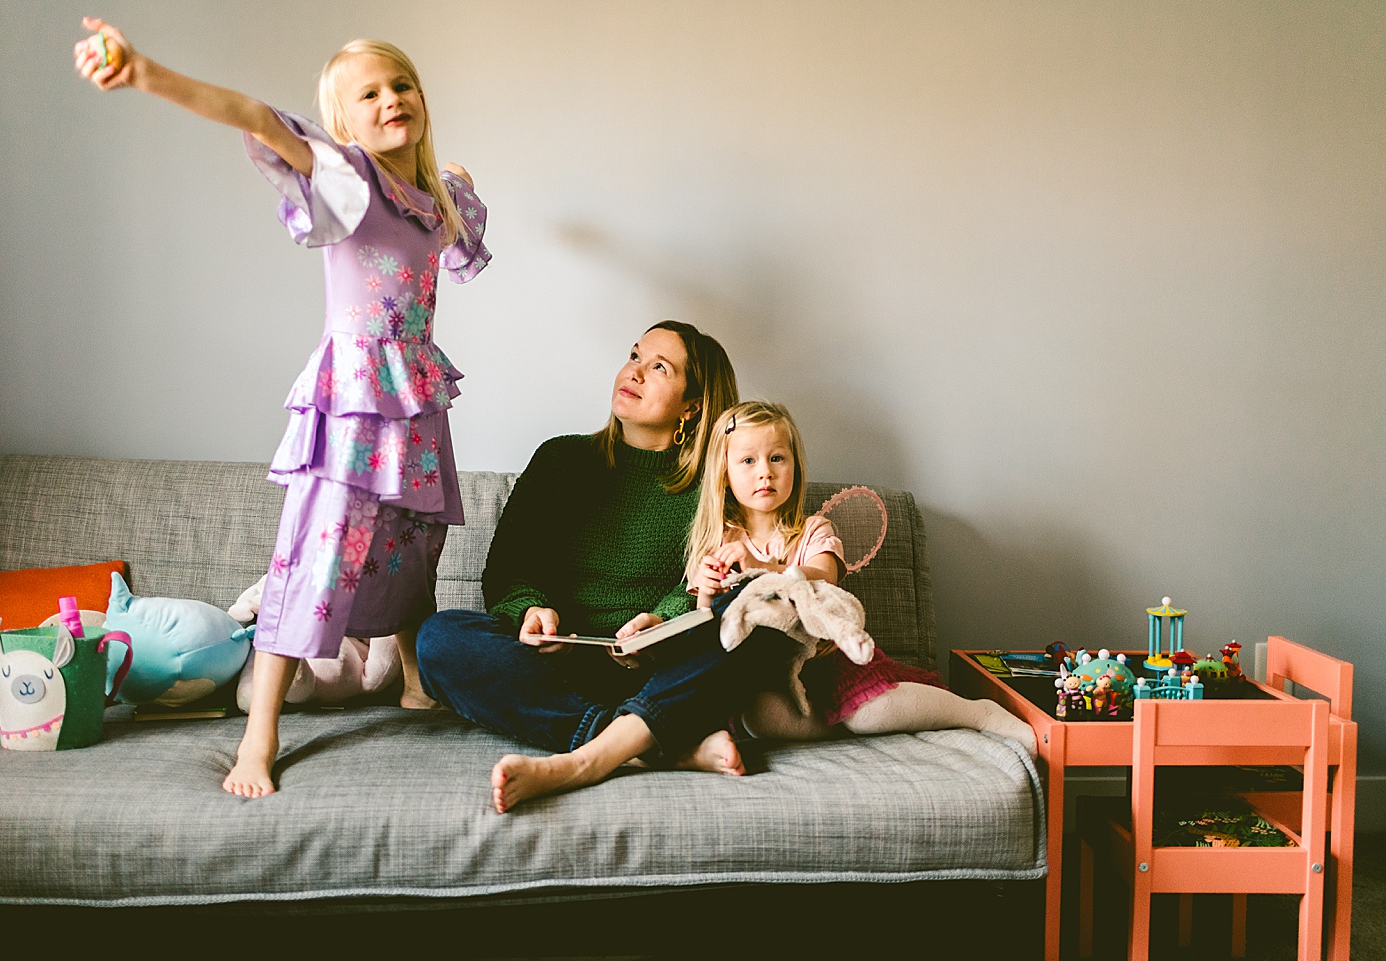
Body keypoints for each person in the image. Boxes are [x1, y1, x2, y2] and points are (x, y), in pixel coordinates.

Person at [73, 19, 492, 797]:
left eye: (401, 85)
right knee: (317, 557)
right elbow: (258, 119)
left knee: (413, 534)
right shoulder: (351, 182)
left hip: (417, 394)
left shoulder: (436, 199)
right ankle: (257, 738)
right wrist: (146, 73)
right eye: (369, 93)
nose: (392, 99)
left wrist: (452, 181)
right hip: (355, 395)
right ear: (342, 125)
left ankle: (410, 676)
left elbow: (457, 244)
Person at [417, 322, 790, 813]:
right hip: (552, 670)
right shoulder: (561, 460)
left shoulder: (720, 481)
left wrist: (661, 623)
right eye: (635, 355)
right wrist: (531, 609)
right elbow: (509, 569)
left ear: (692, 405)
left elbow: (715, 579)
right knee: (440, 638)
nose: (633, 371)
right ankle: (641, 746)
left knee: (752, 619)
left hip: (660, 672)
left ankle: (585, 760)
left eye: (658, 367)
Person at [687, 401, 1037, 756]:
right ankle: (842, 724)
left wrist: (763, 570)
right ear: (724, 474)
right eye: (748, 461)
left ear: (795, 465)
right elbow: (707, 624)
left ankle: (977, 713)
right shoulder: (718, 544)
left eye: (777, 458)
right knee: (759, 719)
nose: (766, 472)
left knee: (870, 714)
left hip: (826, 661)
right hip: (771, 677)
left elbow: (824, 575)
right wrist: (708, 591)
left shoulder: (812, 530)